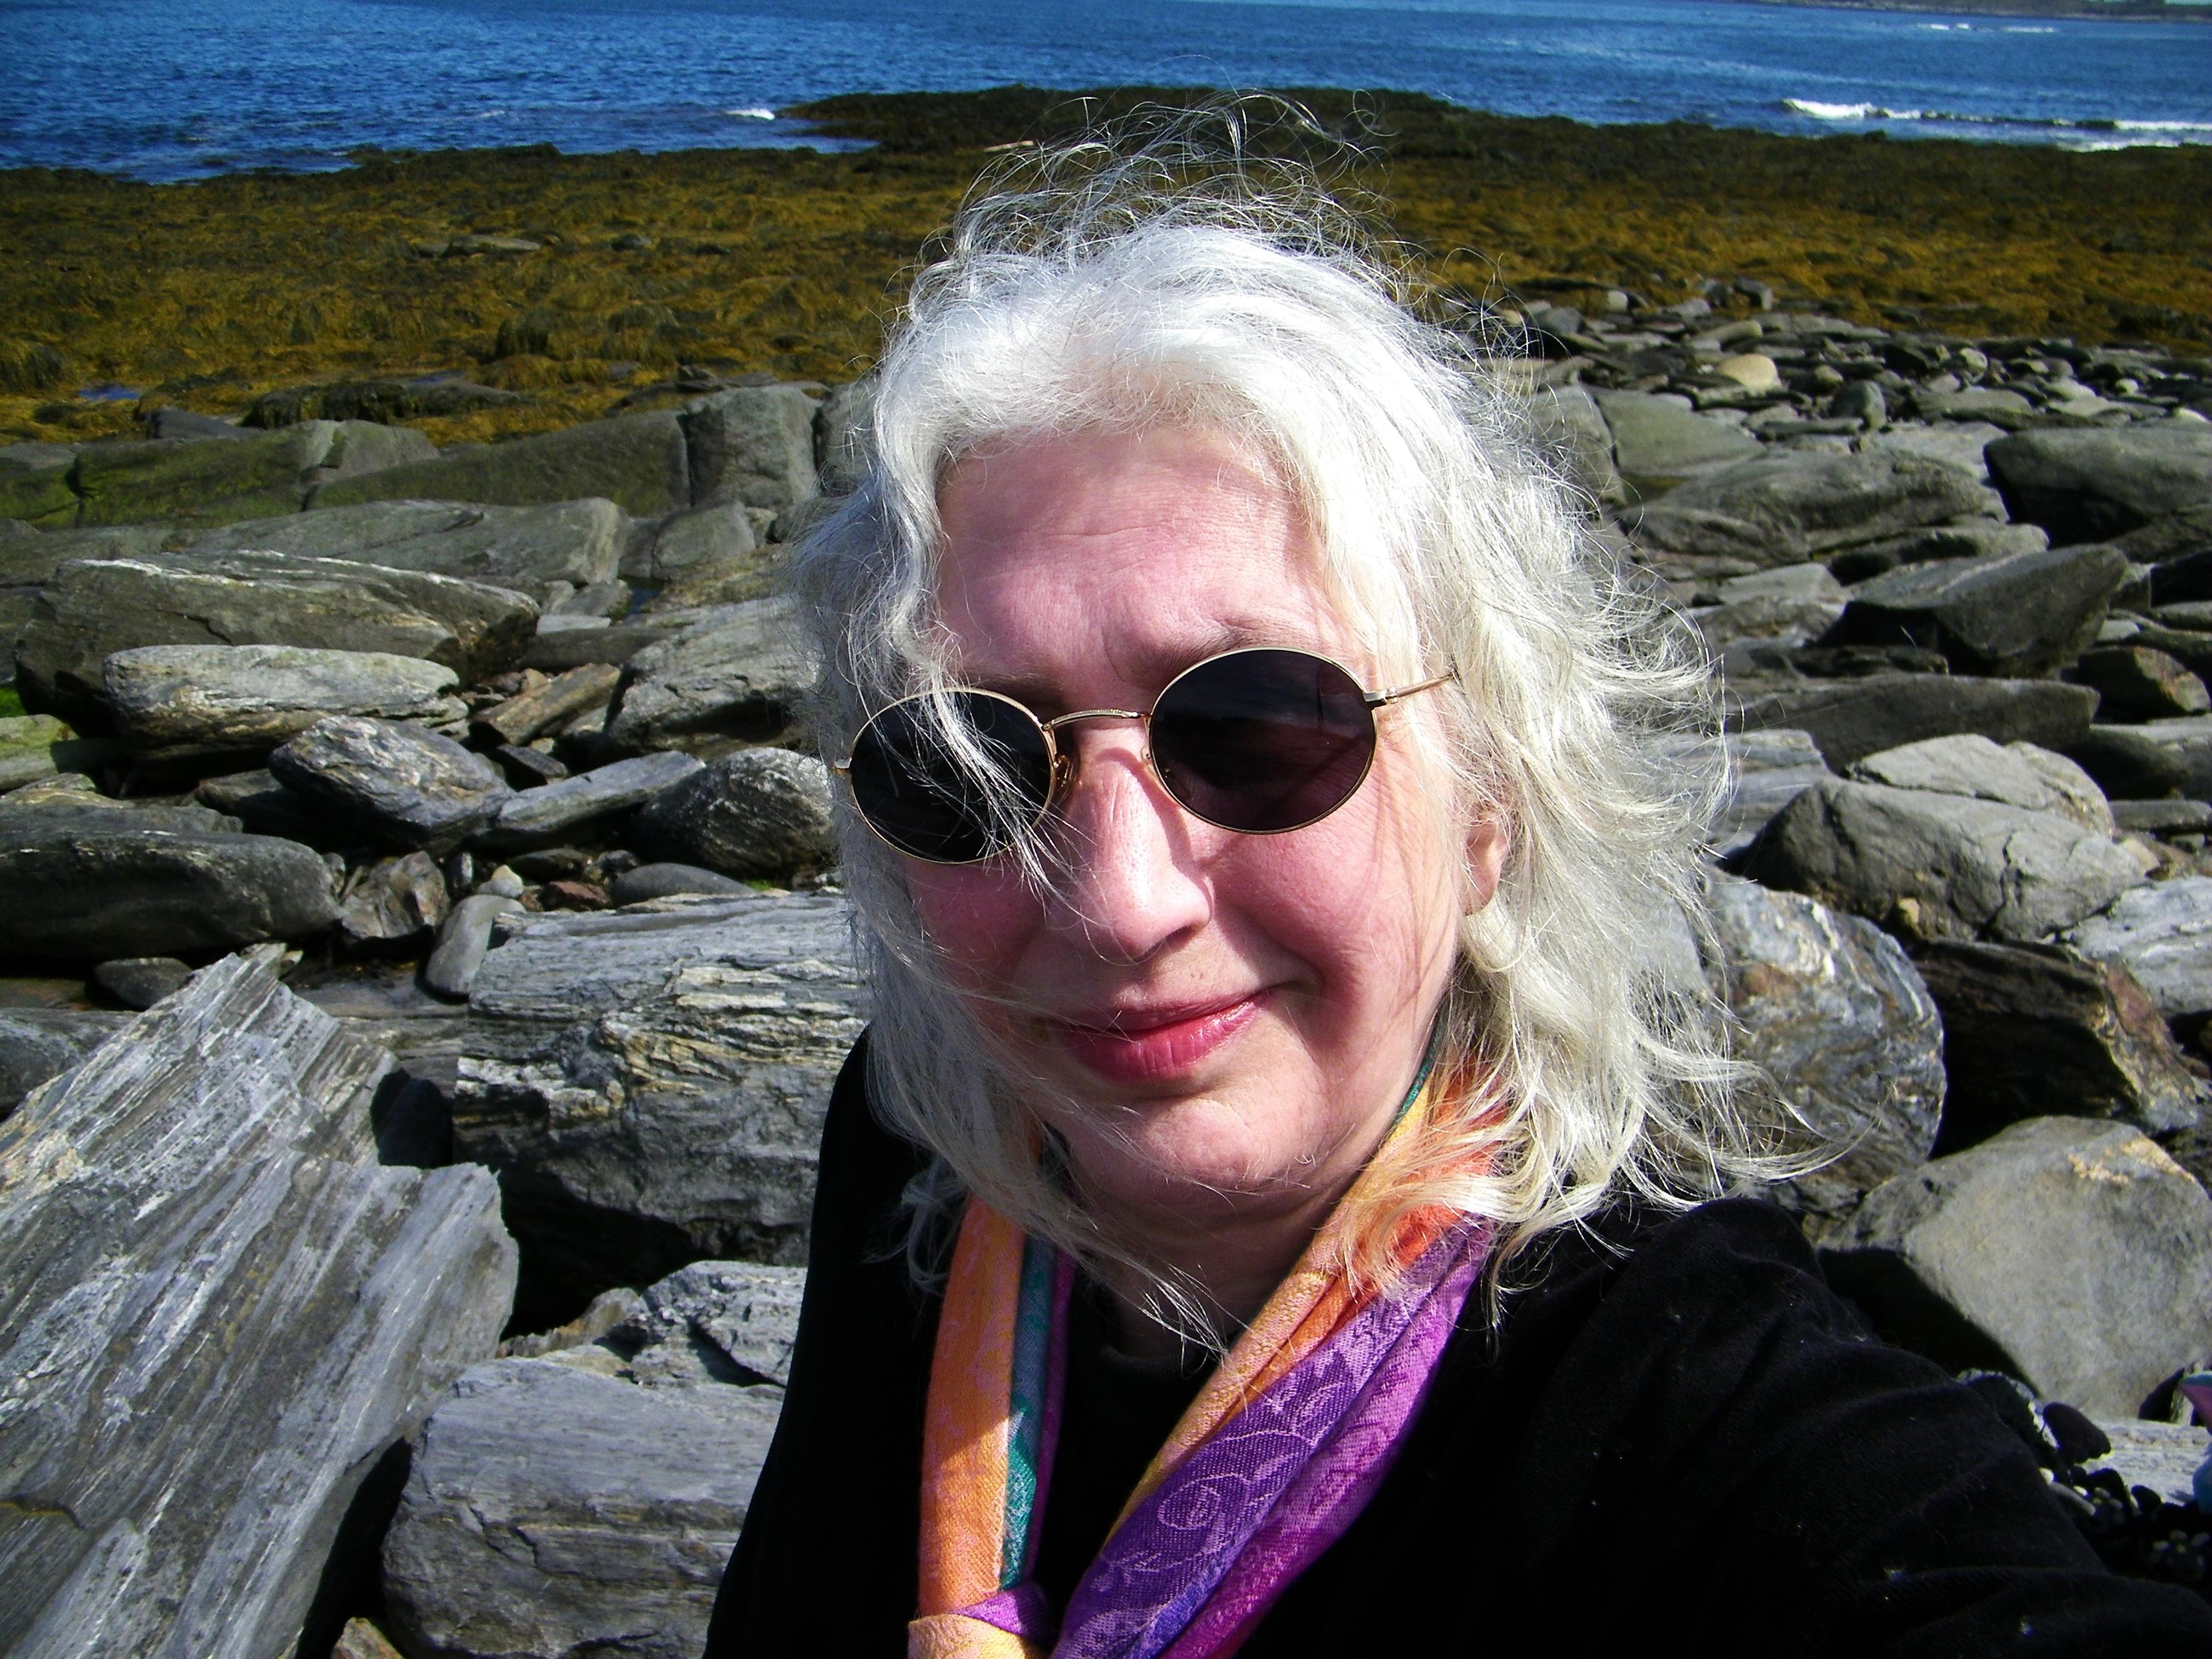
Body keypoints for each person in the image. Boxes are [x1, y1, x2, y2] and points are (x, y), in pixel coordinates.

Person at [705, 110, 2212, 1656]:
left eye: (1255, 727)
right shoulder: (923, 1137)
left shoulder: (1693, 1404)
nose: (1118, 901)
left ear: (1489, 801)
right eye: (968, 757)